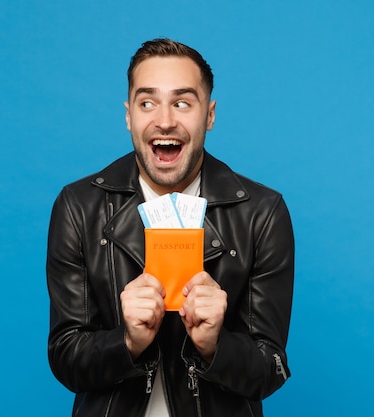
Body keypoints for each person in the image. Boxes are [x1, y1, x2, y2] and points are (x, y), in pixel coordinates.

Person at [46, 38, 294, 417]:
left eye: (182, 103)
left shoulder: (262, 213)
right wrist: (126, 342)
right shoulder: (78, 207)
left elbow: (270, 369)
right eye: (148, 103)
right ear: (129, 115)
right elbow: (65, 358)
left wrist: (215, 345)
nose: (164, 120)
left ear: (209, 115)